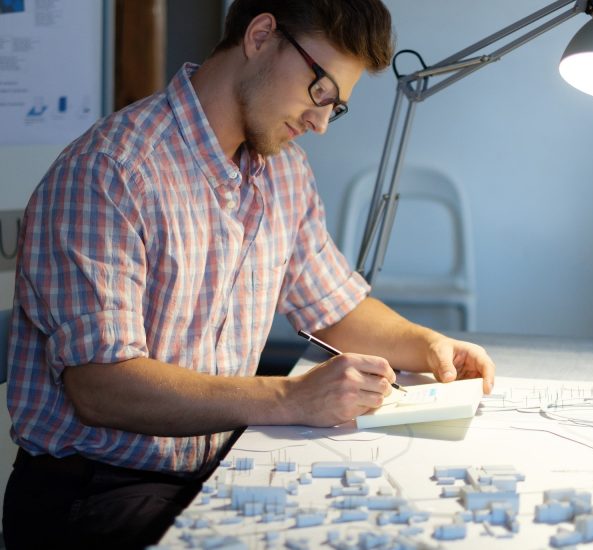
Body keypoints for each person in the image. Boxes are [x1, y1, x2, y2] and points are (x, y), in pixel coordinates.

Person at [2, 0, 495, 548]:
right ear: (261, 36)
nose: (321, 122)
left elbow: (335, 306)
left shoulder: (282, 170)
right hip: (94, 496)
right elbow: (101, 388)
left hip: (210, 470)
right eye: (321, 91)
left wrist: (427, 345)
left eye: (337, 107)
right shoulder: (109, 172)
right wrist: (291, 398)